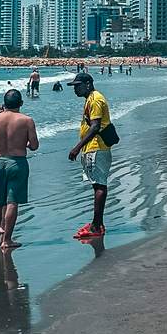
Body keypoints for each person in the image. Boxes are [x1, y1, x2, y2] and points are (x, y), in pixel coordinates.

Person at [0, 88, 39, 249]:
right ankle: (7, 240)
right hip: (17, 162)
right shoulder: (26, 120)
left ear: (4, 104)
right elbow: (35, 145)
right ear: (21, 103)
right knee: (12, 202)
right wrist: (25, 143)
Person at [68, 71, 113, 241]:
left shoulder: (95, 99)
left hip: (97, 147)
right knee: (97, 185)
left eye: (77, 86)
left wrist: (77, 147)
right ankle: (97, 223)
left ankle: (96, 225)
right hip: (94, 147)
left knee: (99, 185)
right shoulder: (91, 99)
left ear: (87, 84)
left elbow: (95, 127)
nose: (75, 89)